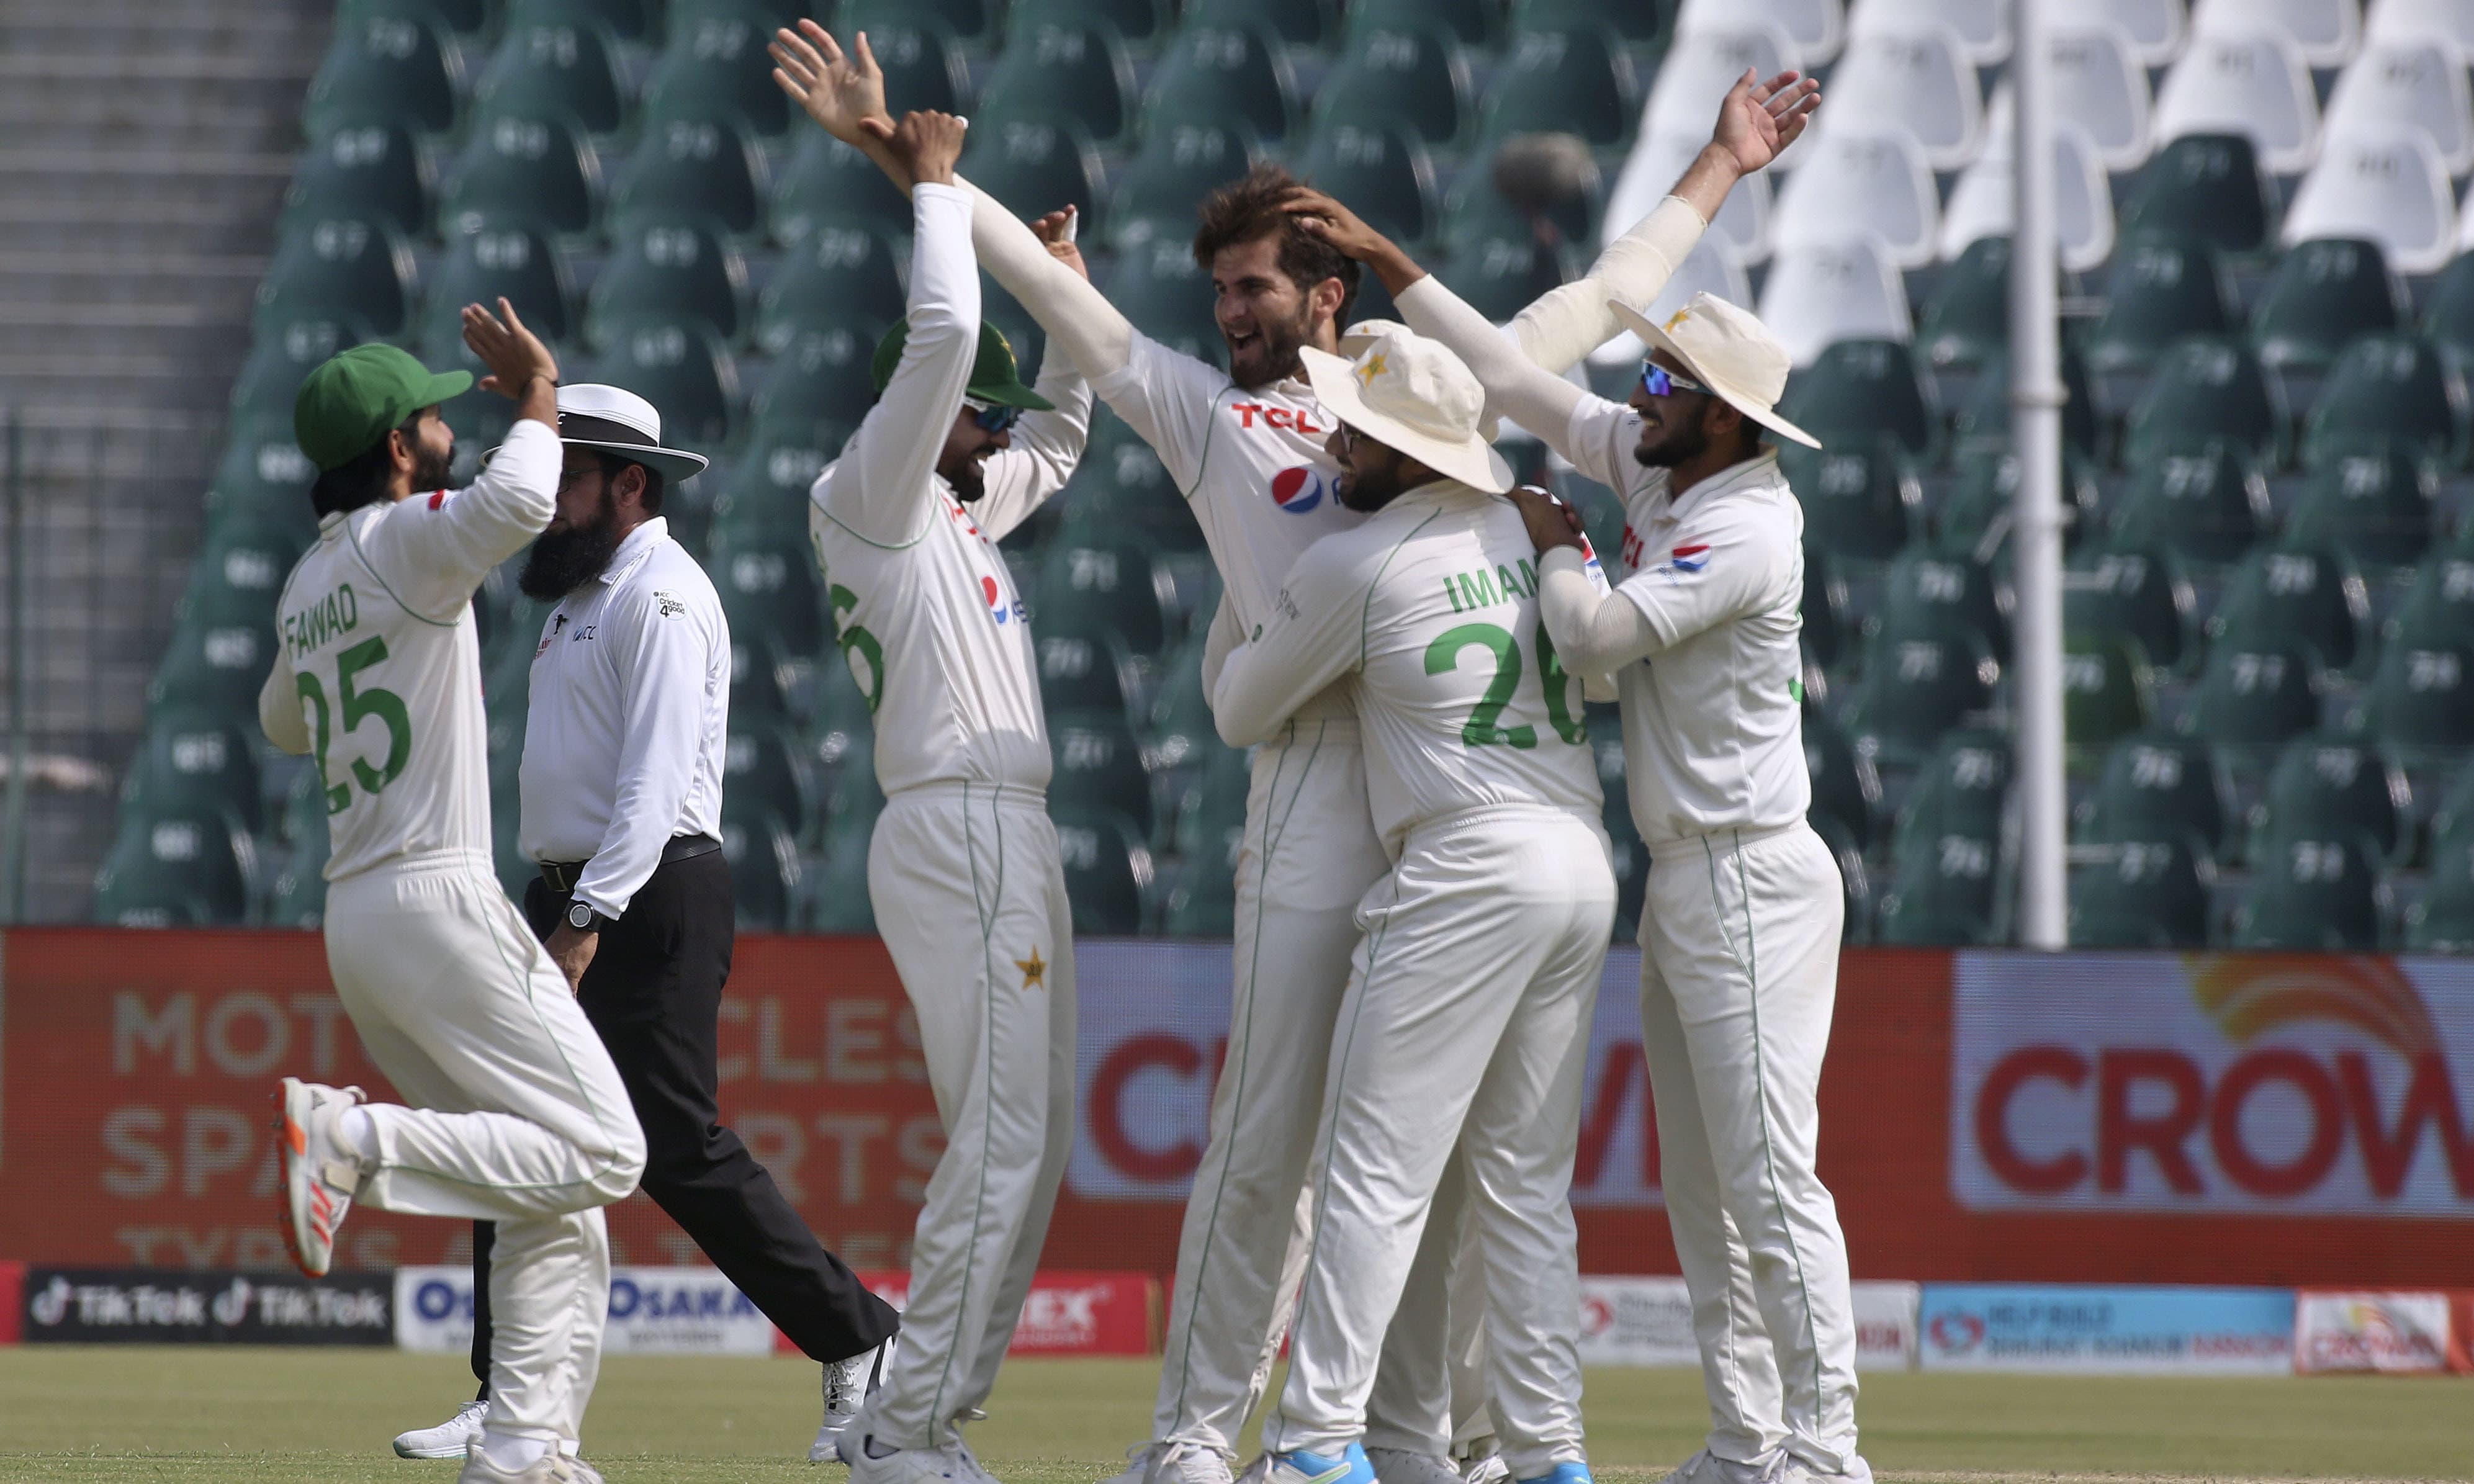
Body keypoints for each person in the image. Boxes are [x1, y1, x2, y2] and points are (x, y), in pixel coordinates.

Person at [768, 27, 1815, 1484]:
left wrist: (1719, 163)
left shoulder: (1428, 392)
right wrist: (895, 155)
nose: (1229, 311)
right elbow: (1064, 307)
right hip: (1319, 777)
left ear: (1328, 291)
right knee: (1268, 1140)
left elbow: (1604, 292)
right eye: (1218, 291)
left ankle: (1430, 1438)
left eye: (1254, 286)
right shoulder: (1210, 414)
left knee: (1452, 1167)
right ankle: (1198, 1442)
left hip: (1453, 787)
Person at [1296, 185, 1868, 1480]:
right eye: (1652, 368)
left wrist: (1556, 542)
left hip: (1750, 872)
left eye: (1666, 377)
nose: (1642, 391)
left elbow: (1598, 634)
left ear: (1721, 414)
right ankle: (1744, 1439)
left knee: (1769, 1179)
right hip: (1682, 873)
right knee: (1705, 1190)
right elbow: (1510, 378)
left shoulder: (1742, 524)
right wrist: (1394, 264)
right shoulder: (1671, 469)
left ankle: (1825, 1451)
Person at [387, 385, 902, 1465]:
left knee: (672, 1141)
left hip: (646, 891)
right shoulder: (583, 593)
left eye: (566, 479)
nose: (545, 505)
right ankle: (509, 1399)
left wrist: (584, 917)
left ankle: (862, 1339)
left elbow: (654, 784)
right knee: (518, 1127)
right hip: (581, 890)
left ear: (630, 484)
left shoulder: (662, 592)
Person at [1207, 326, 1615, 1484]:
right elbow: (1596, 660)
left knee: (1370, 1173)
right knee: (1525, 1189)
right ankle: (1548, 1458)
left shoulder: (1358, 562)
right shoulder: (1531, 526)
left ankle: (1312, 1445)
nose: (1333, 438)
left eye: (1355, 427)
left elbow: (1240, 710)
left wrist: (1247, 591)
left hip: (1465, 867)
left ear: (1402, 447)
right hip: (1578, 862)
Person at [261, 313, 647, 1484]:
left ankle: (525, 1450)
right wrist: (541, 388)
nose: (448, 429)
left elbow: (284, 721)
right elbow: (519, 501)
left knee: (547, 1185)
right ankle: (350, 1137)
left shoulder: (308, 581)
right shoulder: (396, 540)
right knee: (607, 1150)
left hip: (358, 918)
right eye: (432, 419)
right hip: (437, 898)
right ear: (394, 452)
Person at [798, 104, 1095, 1484]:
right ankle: (901, 1423)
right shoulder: (870, 492)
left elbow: (1070, 434)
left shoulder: (960, 513)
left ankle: (926, 1416)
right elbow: (938, 345)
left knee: (1030, 1134)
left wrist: (1064, 295)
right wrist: (932, 195)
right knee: (1002, 1132)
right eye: (983, 415)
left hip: (1006, 824)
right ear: (935, 418)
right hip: (955, 818)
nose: (996, 435)